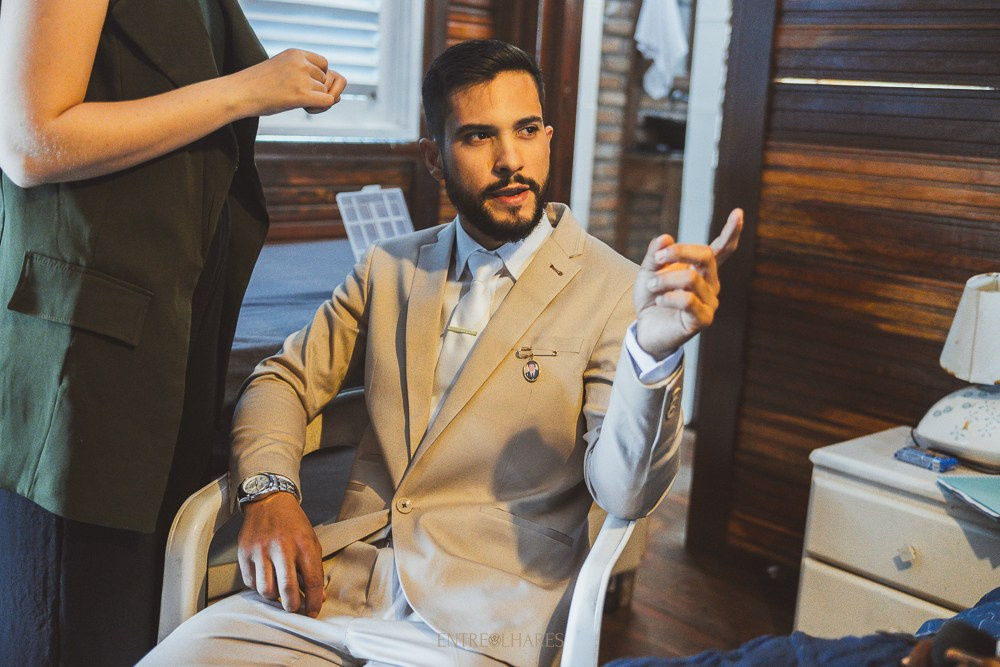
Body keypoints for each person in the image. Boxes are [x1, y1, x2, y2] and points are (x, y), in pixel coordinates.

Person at [143, 39, 743, 667]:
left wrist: (654, 353)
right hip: (331, 592)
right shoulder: (389, 268)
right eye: (479, 136)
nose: (510, 160)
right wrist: (269, 493)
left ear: (548, 139)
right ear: (434, 157)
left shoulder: (615, 288)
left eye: (526, 130)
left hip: (488, 618)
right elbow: (282, 380)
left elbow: (625, 494)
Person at [0, 1, 346, 665]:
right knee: (77, 629)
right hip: (88, 357)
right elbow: (30, 140)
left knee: (139, 628)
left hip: (173, 338)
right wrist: (250, 89)